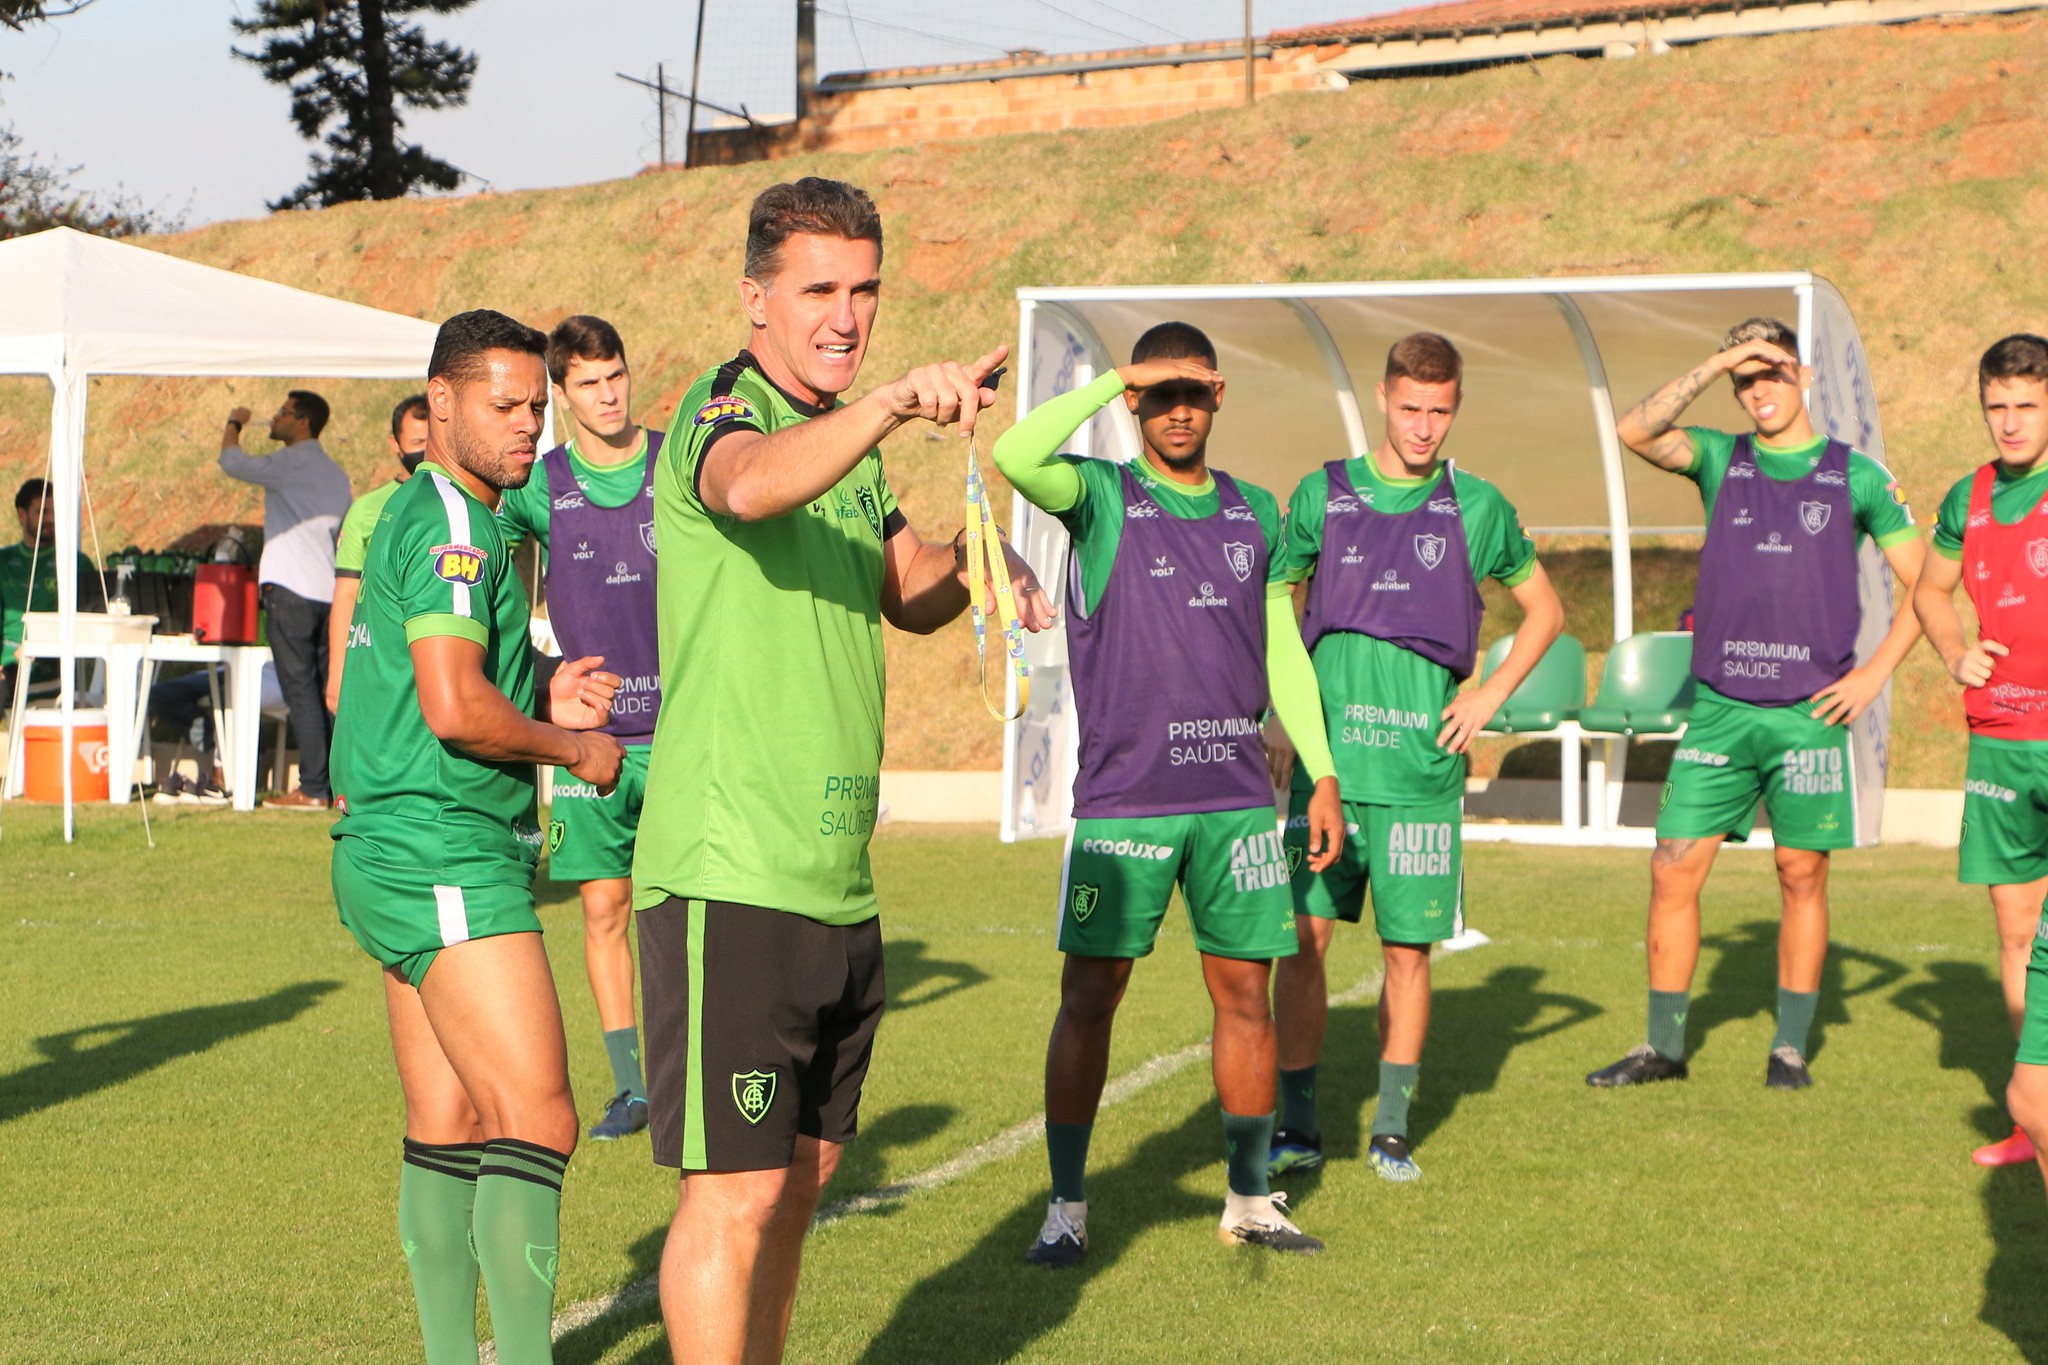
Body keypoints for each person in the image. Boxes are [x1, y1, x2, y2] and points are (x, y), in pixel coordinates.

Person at [633, 176, 1054, 1364]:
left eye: (864, 290)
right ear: (754, 296)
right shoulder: (721, 414)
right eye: (818, 288)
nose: (845, 314)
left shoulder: (843, 450)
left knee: (805, 1178)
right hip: (732, 869)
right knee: (735, 1195)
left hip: (835, 879)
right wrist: (880, 405)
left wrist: (983, 563)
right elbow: (754, 485)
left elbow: (906, 589)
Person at [992, 322, 1343, 1265]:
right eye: (1159, 393)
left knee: (1246, 997)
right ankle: (1067, 1203)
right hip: (1125, 804)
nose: (1176, 409)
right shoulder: (1100, 496)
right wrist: (1113, 378)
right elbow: (1014, 452)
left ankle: (1249, 1197)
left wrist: (1323, 773)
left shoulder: (1254, 511)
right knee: (1091, 995)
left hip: (1234, 803)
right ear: (1140, 401)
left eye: (1193, 392)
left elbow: (1282, 651)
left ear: (1220, 397)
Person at [330, 309, 624, 1365]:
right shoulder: (458, 526)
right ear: (437, 403)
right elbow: (455, 711)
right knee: (538, 1122)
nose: (525, 426)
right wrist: (571, 748)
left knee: (448, 1128)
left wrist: (539, 685)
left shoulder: (450, 517)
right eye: (503, 405)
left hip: (392, 849)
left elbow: (435, 684)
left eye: (536, 408)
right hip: (441, 851)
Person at [1588, 317, 1925, 1090]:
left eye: (1771, 370)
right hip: (1719, 709)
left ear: (1805, 377)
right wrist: (1717, 361)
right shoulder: (1720, 456)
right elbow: (1635, 428)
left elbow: (1929, 583)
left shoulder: (1857, 475)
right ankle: (1662, 1049)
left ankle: (1790, 1047)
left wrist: (1874, 674)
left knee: (1800, 872)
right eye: (1746, 378)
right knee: (1672, 868)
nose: (1757, 389)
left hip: (1810, 713)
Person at [1269, 332, 1564, 1182]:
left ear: (1456, 408)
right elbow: (1275, 599)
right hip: (1331, 772)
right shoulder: (1321, 495)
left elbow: (1544, 610)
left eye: (1439, 411)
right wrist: (1284, 718)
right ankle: (1296, 1124)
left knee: (1408, 954)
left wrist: (1488, 696)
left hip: (1422, 776)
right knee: (1304, 943)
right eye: (1410, 408)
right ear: (1383, 398)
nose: (1424, 426)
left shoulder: (1477, 506)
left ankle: (1391, 1128)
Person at [494, 316, 663, 1143]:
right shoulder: (538, 484)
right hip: (591, 740)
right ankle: (632, 1088)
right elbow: (481, 569)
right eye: (591, 383)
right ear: (561, 394)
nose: (609, 395)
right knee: (605, 910)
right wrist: (535, 674)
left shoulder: (678, 465)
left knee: (689, 912)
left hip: (681, 730)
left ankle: (693, 1070)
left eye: (618, 377)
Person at [1914, 333, 2048, 1167]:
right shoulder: (1969, 495)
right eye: (1996, 406)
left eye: (2026, 405)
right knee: (2015, 931)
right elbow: (1931, 588)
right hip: (2001, 739)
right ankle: (2034, 1108)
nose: (2009, 422)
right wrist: (1954, 652)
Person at [219, 389, 353, 809]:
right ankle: (336, 784)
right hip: (327, 592)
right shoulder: (334, 473)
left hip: (290, 592)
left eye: (283, 412)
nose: (274, 418)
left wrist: (234, 423)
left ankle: (313, 787)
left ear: (303, 423)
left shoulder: (288, 462)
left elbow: (231, 461)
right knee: (325, 690)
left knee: (301, 692)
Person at [325, 393, 429, 713]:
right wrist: (337, 674)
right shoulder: (367, 509)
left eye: (433, 439)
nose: (425, 450)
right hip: (384, 660)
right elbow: (347, 593)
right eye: (416, 441)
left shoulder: (465, 499)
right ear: (394, 444)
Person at [1, 477, 96, 701]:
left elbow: (86, 623)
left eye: (55, 512)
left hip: (44, 666)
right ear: (22, 515)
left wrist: (37, 646)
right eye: (42, 512)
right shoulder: (4, 561)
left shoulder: (75, 563)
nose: (50, 519)